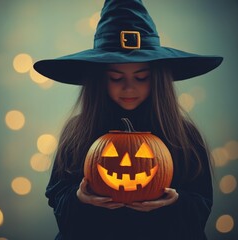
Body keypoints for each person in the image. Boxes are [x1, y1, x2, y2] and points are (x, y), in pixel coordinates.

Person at [33, 0, 223, 239]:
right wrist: (79, 199)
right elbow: (58, 201)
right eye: (116, 77)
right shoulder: (77, 131)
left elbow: (202, 206)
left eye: (141, 77)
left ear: (157, 79)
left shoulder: (184, 135)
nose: (128, 88)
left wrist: (176, 203)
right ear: (100, 80)